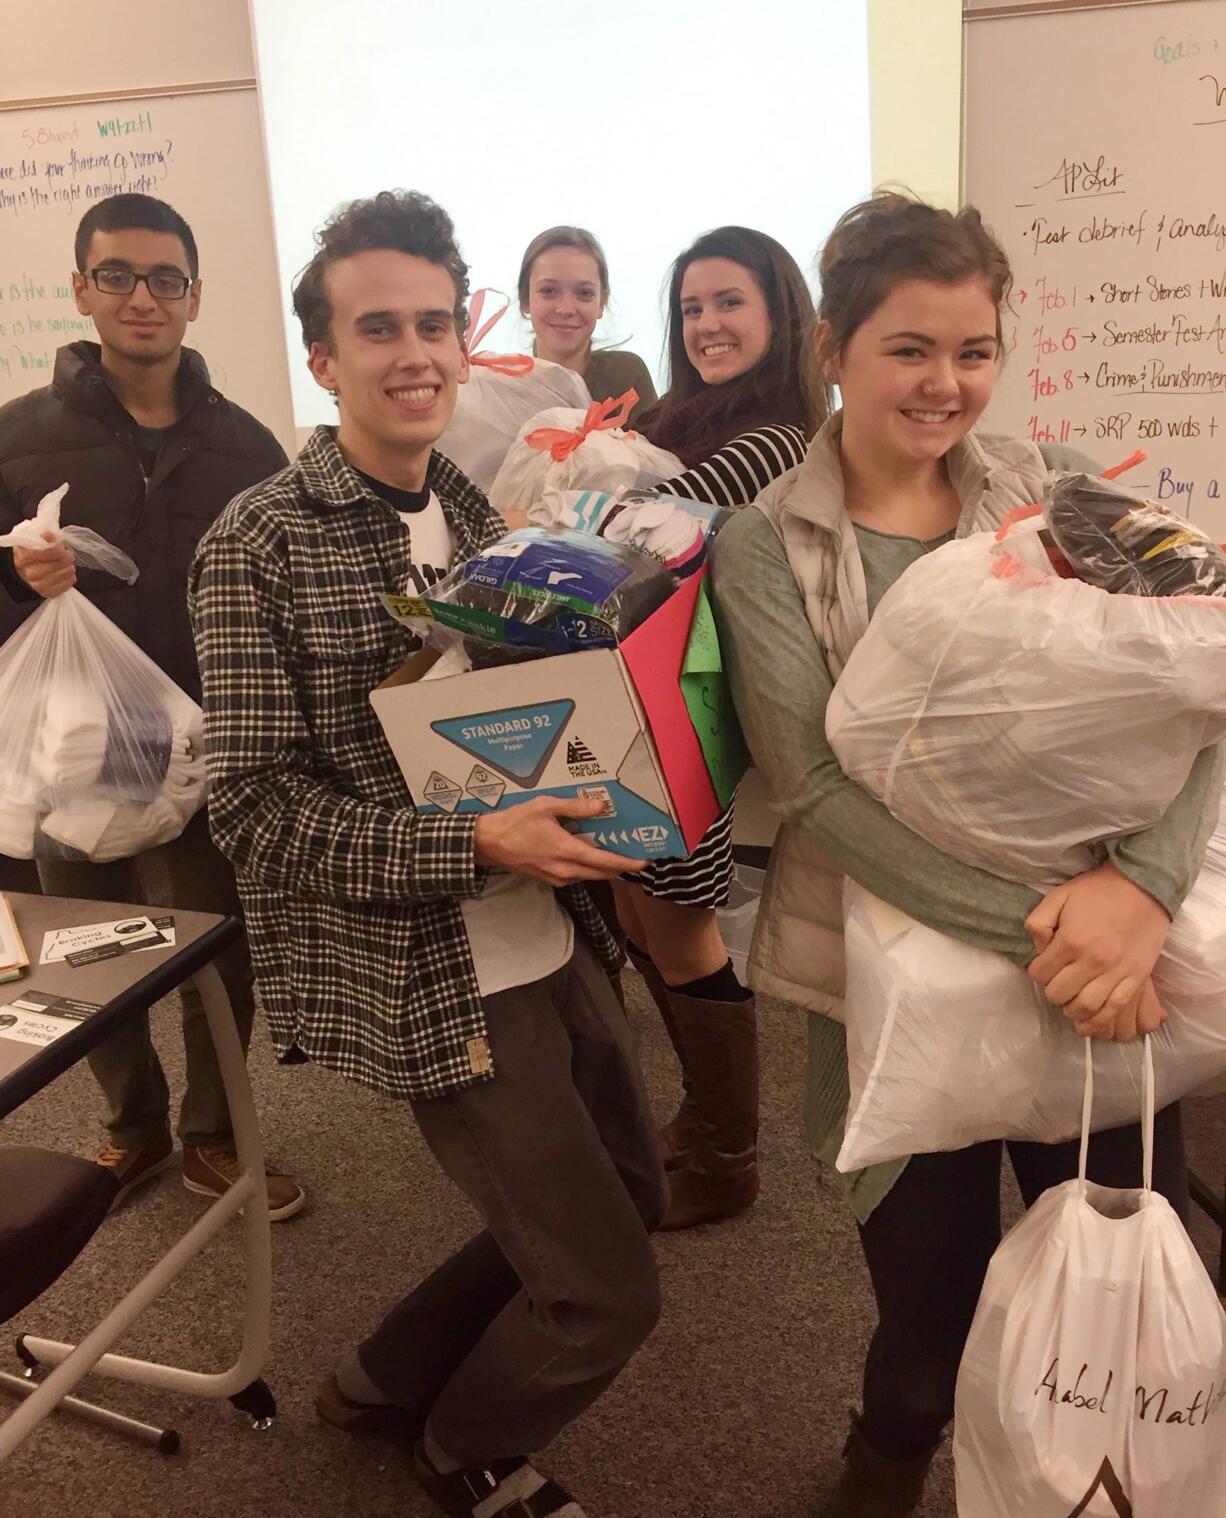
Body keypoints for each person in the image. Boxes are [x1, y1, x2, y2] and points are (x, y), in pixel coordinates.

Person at [711, 190, 1219, 1516]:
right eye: (908, 349)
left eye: (972, 351)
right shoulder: (765, 543)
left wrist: (1142, 892)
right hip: (907, 981)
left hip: (1114, 972)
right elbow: (813, 785)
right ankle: (882, 1477)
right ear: (832, 347)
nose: (944, 385)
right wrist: (1060, 926)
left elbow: (1203, 691)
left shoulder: (1054, 488)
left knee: (1110, 1281)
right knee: (923, 1322)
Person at [188, 190, 666, 1518]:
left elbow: (508, 715)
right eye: (374, 326)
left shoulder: (472, 499)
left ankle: (380, 1378)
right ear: (324, 358)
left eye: (431, 322)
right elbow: (255, 811)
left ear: (465, 340)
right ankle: (462, 1450)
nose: (413, 351)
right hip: (431, 963)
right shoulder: (261, 541)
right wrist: (476, 841)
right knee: (603, 1287)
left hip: (551, 922)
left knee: (630, 1190)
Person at [0, 193, 303, 1220]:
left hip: (208, 739)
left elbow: (285, 581)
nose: (143, 297)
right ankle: (133, 1126)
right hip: (77, 744)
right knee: (83, 950)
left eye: (166, 278)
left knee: (220, 946)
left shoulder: (247, 443)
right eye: (118, 275)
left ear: (196, 296)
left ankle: (217, 1137)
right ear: (82, 288)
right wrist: (17, 582)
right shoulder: (15, 439)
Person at [611, 225, 817, 1231]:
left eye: (728, 302)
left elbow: (636, 529)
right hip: (634, 699)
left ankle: (728, 1155)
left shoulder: (774, 435)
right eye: (691, 307)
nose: (705, 325)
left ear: (779, 317)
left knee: (682, 918)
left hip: (687, 706)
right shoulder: (675, 418)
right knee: (638, 908)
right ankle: (699, 1120)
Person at [517, 225, 657, 422]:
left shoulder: (628, 376)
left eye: (584, 293)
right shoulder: (504, 389)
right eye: (549, 291)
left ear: (601, 303)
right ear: (525, 300)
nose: (566, 309)